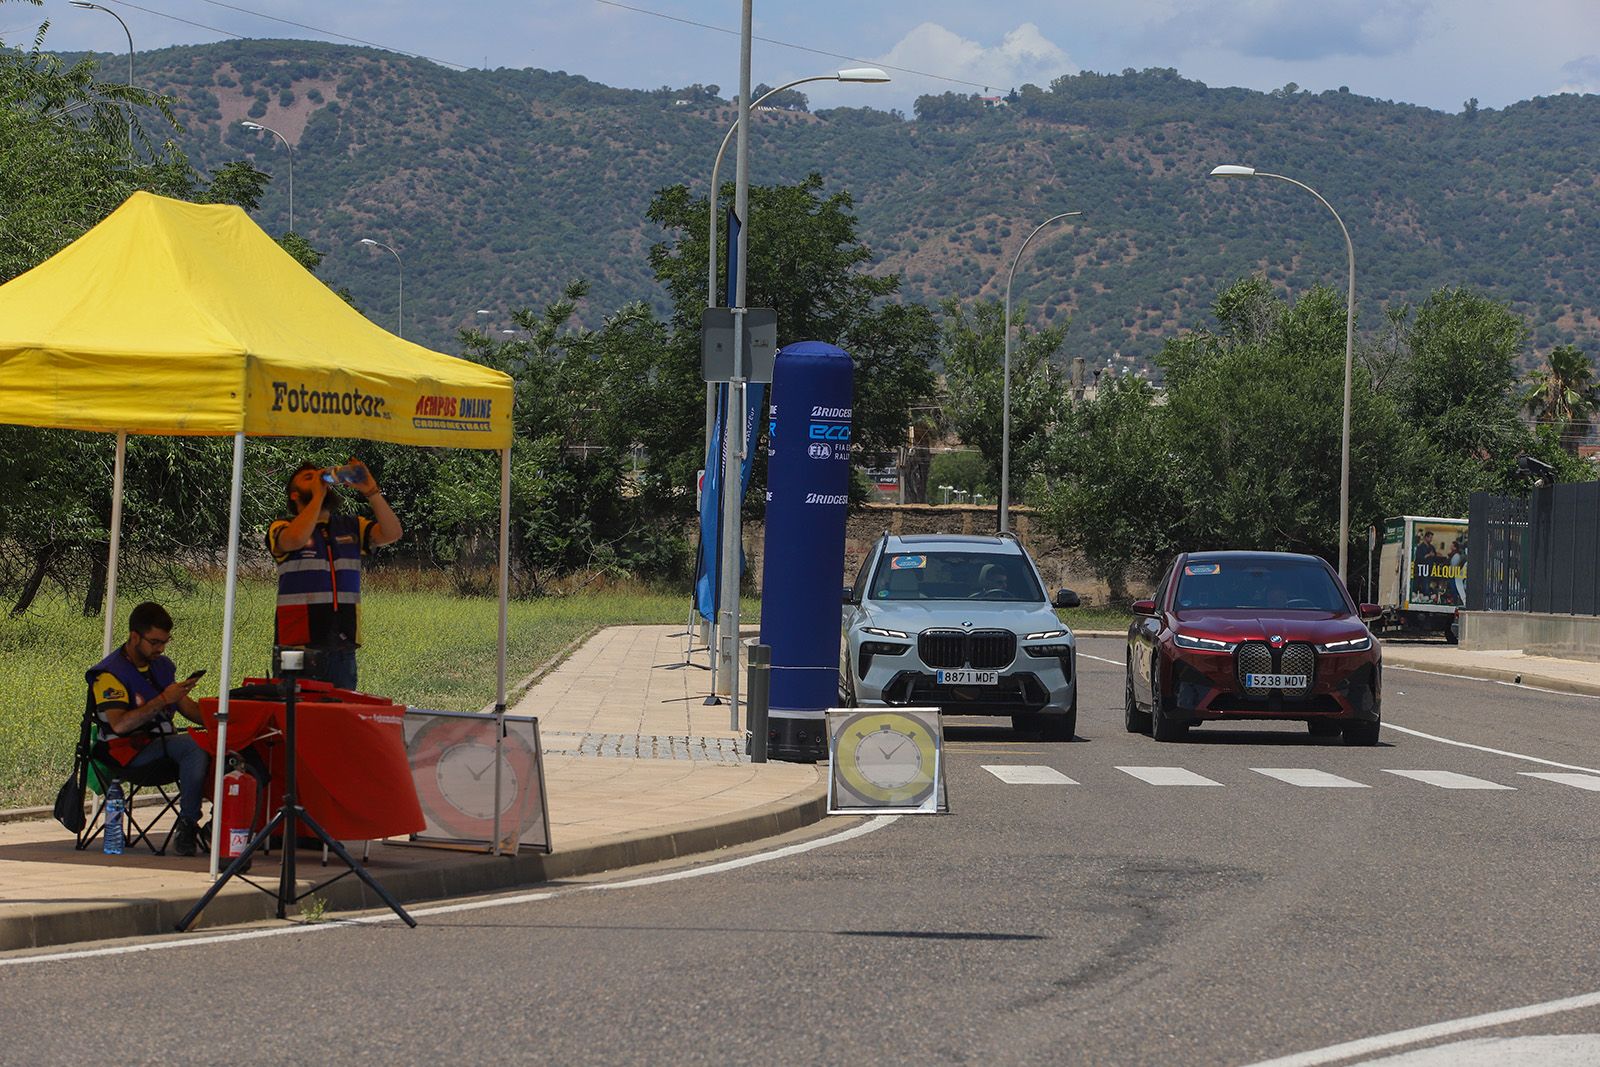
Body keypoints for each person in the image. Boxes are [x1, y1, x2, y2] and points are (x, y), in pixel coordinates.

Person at [86, 601, 211, 856]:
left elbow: (189, 710)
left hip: (163, 745)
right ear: (134, 636)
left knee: (219, 742)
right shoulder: (110, 674)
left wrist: (226, 719)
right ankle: (188, 823)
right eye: (154, 642)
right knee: (194, 746)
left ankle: (216, 825)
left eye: (165, 642)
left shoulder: (162, 667)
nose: (161, 648)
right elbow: (119, 724)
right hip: (126, 753)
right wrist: (164, 699)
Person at [268, 458, 402, 690]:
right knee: (296, 718)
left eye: (320, 477)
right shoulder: (282, 527)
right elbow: (295, 540)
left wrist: (372, 492)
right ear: (294, 495)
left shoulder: (351, 526)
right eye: (308, 478)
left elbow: (392, 533)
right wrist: (318, 496)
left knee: (338, 719)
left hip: (341, 647)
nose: (319, 480)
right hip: (295, 648)